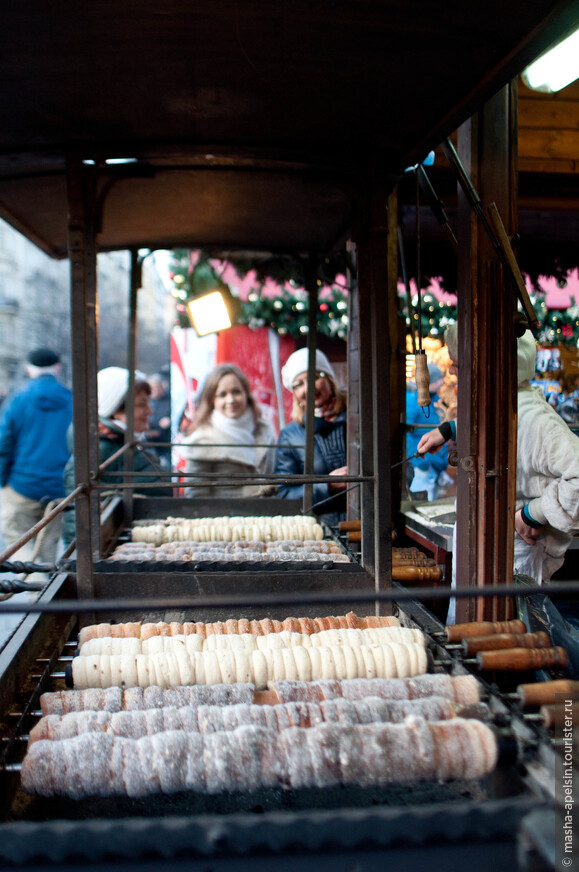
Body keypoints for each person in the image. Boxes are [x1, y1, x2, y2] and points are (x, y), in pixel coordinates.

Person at [418, 326, 579, 588]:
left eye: (457, 364)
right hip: (487, 548)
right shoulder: (504, 401)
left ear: (484, 368)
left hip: (513, 557)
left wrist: (532, 514)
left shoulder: (537, 420)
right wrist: (450, 429)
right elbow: (494, 421)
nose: (451, 371)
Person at [62, 367, 169, 546]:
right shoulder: (99, 452)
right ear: (115, 411)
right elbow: (80, 522)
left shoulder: (121, 443)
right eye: (142, 404)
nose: (150, 411)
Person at [0, 348, 72, 571]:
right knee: (49, 550)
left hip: (22, 485)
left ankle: (36, 594)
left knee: (19, 544)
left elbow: (4, 444)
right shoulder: (72, 400)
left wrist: (3, 481)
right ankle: (46, 597)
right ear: (57, 368)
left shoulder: (18, 400)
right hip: (59, 487)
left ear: (28, 368)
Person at [180, 363, 276, 498]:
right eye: (222, 394)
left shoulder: (264, 431)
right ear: (212, 399)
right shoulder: (202, 440)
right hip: (223, 517)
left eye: (236, 392)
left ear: (246, 394)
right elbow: (196, 498)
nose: (230, 400)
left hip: (268, 517)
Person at [275, 348, 347, 526]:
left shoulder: (357, 419)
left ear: (329, 379)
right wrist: (327, 486)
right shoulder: (290, 435)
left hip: (369, 523)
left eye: (315, 377)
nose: (308, 388)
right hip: (319, 530)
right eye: (298, 384)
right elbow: (285, 494)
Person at [406, 362, 449, 500]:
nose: (442, 382)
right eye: (438, 379)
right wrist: (421, 463)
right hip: (423, 468)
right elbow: (407, 435)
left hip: (433, 467)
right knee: (424, 504)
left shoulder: (431, 402)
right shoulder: (414, 402)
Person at [146, 373, 172, 468]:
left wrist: (170, 419)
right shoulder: (146, 401)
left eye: (158, 388)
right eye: (153, 388)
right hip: (150, 442)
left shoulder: (170, 398)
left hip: (166, 442)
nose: (156, 391)